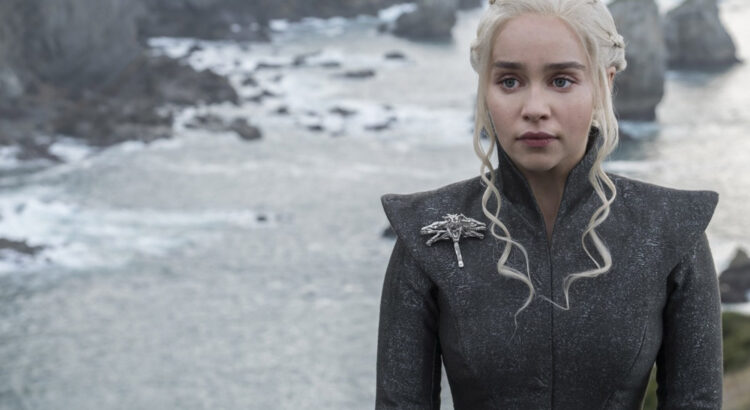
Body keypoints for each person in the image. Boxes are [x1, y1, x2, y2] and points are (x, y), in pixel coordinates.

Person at [375, 0, 723, 408]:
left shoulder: (672, 229)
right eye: (509, 81)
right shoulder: (424, 233)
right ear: (485, 89)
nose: (535, 109)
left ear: (604, 83)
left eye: (561, 81)